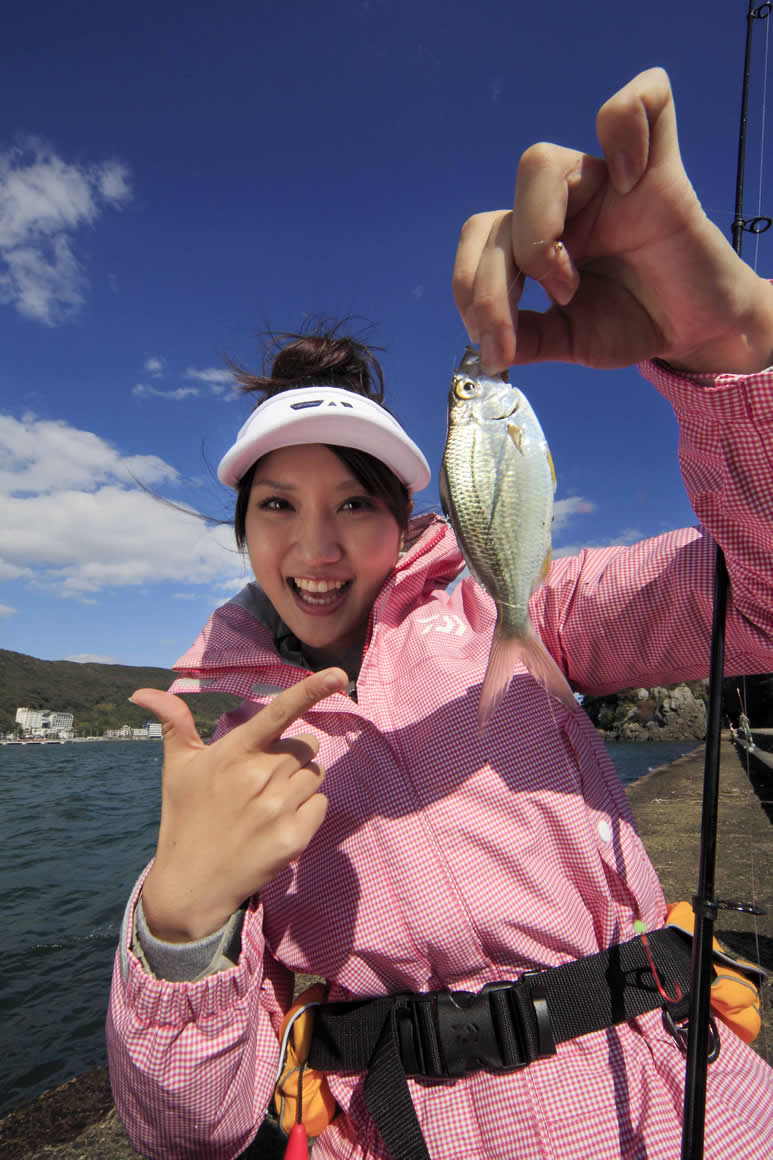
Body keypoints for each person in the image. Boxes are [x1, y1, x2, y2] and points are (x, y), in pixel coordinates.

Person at [107, 68, 773, 1160]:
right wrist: (180, 923)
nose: (315, 546)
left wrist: (724, 346)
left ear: (410, 517)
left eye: (354, 504)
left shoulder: (534, 606)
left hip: (668, 1107)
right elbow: (193, 1130)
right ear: (240, 530)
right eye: (277, 505)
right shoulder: (227, 750)